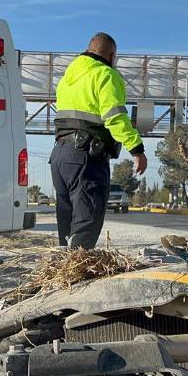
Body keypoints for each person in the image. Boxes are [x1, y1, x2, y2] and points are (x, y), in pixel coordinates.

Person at [51, 32, 147, 249]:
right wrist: (136, 149)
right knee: (87, 220)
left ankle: (63, 273)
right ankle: (75, 274)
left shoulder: (68, 78)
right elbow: (114, 117)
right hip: (86, 156)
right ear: (112, 55)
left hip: (60, 156)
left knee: (66, 223)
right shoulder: (105, 75)